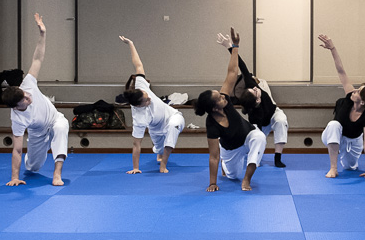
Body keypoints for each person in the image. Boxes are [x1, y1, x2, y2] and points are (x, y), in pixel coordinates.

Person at [2, 14, 69, 187]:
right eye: (24, 99)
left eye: (25, 94)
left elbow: (37, 59)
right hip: (37, 133)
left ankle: (57, 174)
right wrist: (14, 177)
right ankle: (30, 165)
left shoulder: (28, 84)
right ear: (17, 107)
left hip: (55, 119)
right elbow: (17, 149)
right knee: (33, 167)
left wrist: (42, 34)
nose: (28, 97)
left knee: (61, 128)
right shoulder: (17, 118)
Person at [195, 29, 265, 192]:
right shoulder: (211, 124)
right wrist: (212, 182)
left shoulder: (224, 99)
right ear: (214, 108)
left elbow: (232, 72)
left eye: (220, 94)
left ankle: (247, 180)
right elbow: (213, 156)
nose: (224, 97)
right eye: (219, 98)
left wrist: (235, 46)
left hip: (248, 135)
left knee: (260, 137)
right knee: (232, 175)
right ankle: (226, 167)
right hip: (230, 149)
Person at [118, 35, 184, 174]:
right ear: (138, 106)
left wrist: (131, 43)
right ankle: (159, 153)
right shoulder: (139, 118)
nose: (150, 99)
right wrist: (136, 167)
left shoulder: (141, 86)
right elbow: (136, 144)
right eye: (146, 101)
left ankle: (163, 165)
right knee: (159, 149)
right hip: (156, 129)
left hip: (173, 116)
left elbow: (138, 64)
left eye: (148, 96)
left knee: (173, 127)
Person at [317, 34, 365, 179]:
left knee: (350, 167)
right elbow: (341, 70)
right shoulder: (350, 97)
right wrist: (332, 48)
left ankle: (346, 163)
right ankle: (333, 168)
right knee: (333, 125)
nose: (354, 90)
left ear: (362, 102)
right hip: (334, 135)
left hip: (354, 141)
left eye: (358, 91)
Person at [232, 54, 289, 168]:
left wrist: (232, 47)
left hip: (273, 113)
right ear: (257, 100)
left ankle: (277, 157)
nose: (255, 88)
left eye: (252, 88)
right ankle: (252, 158)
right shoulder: (255, 116)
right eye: (254, 91)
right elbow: (259, 131)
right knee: (258, 138)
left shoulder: (252, 85)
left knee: (281, 121)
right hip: (261, 123)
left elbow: (242, 66)